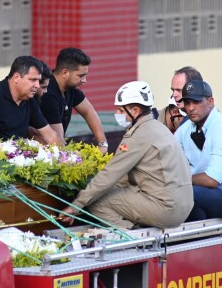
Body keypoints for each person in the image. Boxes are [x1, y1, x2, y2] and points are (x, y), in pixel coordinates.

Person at [60, 81, 193, 230]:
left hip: (166, 209)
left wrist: (75, 206)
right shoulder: (159, 128)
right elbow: (123, 177)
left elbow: (110, 174)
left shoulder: (137, 136)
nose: (117, 115)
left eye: (120, 110)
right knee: (112, 190)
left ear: (135, 111)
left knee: (96, 201)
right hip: (184, 205)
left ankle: (132, 234)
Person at [40, 47, 108, 155]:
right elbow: (57, 141)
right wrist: (77, 156)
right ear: (65, 73)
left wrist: (102, 143)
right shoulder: (48, 94)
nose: (84, 81)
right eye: (80, 76)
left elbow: (88, 111)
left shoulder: (71, 88)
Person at [0, 55, 65, 146]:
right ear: (16, 77)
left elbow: (49, 135)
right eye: (33, 80)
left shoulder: (30, 100)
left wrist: (68, 156)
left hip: (20, 156)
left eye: (38, 81)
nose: (37, 85)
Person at [174, 80, 222, 221]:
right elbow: (167, 157)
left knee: (189, 195)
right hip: (200, 190)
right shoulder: (186, 128)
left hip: (217, 190)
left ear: (210, 101)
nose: (191, 108)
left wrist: (180, 180)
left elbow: (212, 180)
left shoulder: (219, 126)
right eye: (187, 103)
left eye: (196, 102)